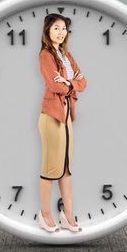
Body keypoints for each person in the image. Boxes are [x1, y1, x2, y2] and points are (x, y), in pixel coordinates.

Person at [37, 13, 87, 233]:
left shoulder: (66, 55)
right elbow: (55, 86)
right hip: (52, 116)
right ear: (48, 30)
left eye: (64, 28)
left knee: (66, 168)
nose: (61, 32)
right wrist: (71, 83)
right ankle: (45, 214)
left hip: (67, 116)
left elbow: (83, 82)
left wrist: (68, 81)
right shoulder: (45, 55)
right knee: (50, 168)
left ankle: (68, 215)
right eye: (56, 28)